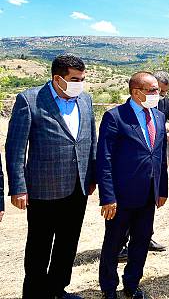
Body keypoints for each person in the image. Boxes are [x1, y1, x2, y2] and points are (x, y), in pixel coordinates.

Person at [5, 54, 96, 299]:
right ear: (58, 79)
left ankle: (57, 289)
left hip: (78, 186)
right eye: (75, 79)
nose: (80, 84)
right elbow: (15, 147)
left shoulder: (85, 100)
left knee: (68, 244)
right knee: (39, 247)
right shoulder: (31, 100)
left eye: (83, 79)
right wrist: (18, 187)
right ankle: (35, 294)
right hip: (43, 188)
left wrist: (93, 176)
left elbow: (91, 141)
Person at [97, 71, 169, 299]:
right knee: (114, 244)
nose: (157, 94)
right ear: (136, 92)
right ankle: (109, 288)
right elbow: (104, 159)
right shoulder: (115, 117)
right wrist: (108, 197)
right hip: (122, 196)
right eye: (152, 91)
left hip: (148, 194)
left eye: (157, 90)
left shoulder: (157, 116)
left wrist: (162, 189)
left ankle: (132, 284)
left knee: (140, 243)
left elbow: (160, 156)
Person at [117, 71, 169, 261]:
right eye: (156, 91)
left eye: (162, 92)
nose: (160, 96)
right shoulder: (120, 115)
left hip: (153, 174)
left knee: (145, 217)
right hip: (129, 179)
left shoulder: (163, 106)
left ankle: (145, 239)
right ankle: (120, 246)